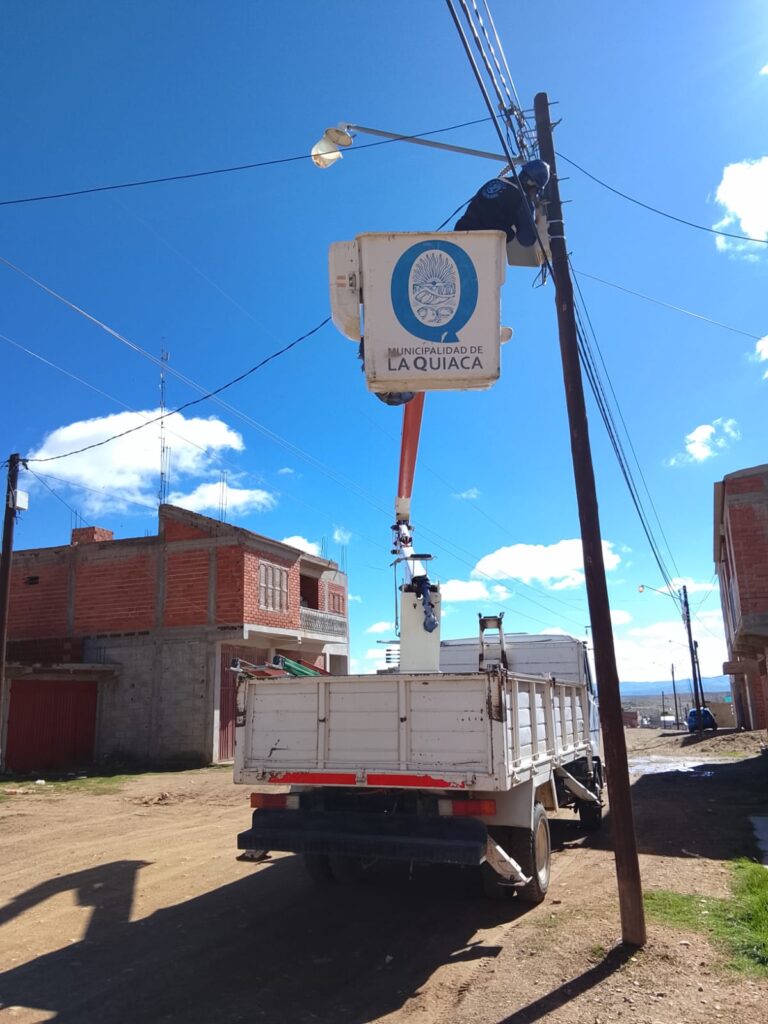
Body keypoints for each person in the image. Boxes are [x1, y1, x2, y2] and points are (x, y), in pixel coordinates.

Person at [454, 159, 550, 247]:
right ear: (531, 183)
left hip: (459, 236)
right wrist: (534, 214)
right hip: (482, 245)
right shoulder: (522, 200)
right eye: (537, 190)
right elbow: (527, 239)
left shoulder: (495, 181)